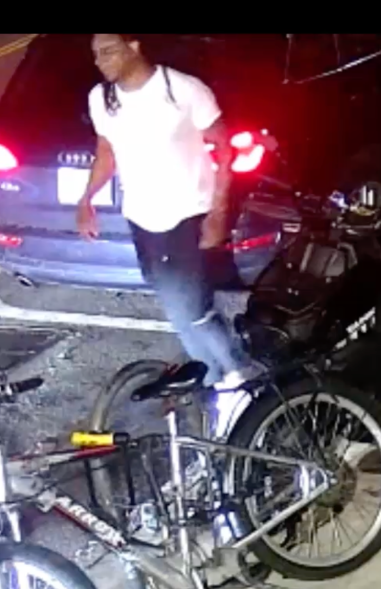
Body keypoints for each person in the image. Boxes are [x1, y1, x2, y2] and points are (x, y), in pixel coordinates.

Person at [77, 34, 261, 431]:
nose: (100, 61)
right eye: (95, 54)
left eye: (108, 51)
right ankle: (217, 379)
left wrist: (218, 212)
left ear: (135, 46)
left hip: (186, 216)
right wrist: (86, 199)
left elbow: (223, 148)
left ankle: (239, 380)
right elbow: (106, 152)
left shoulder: (182, 90)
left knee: (188, 310)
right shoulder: (101, 98)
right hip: (142, 219)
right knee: (179, 308)